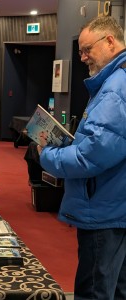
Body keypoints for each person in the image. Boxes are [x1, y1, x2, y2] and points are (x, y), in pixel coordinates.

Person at [37, 16, 126, 300]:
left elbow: (91, 156)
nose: (83, 56)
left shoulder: (115, 90)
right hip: (114, 207)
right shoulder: (113, 82)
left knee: (94, 290)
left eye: (87, 49)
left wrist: (47, 155)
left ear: (110, 41)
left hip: (103, 211)